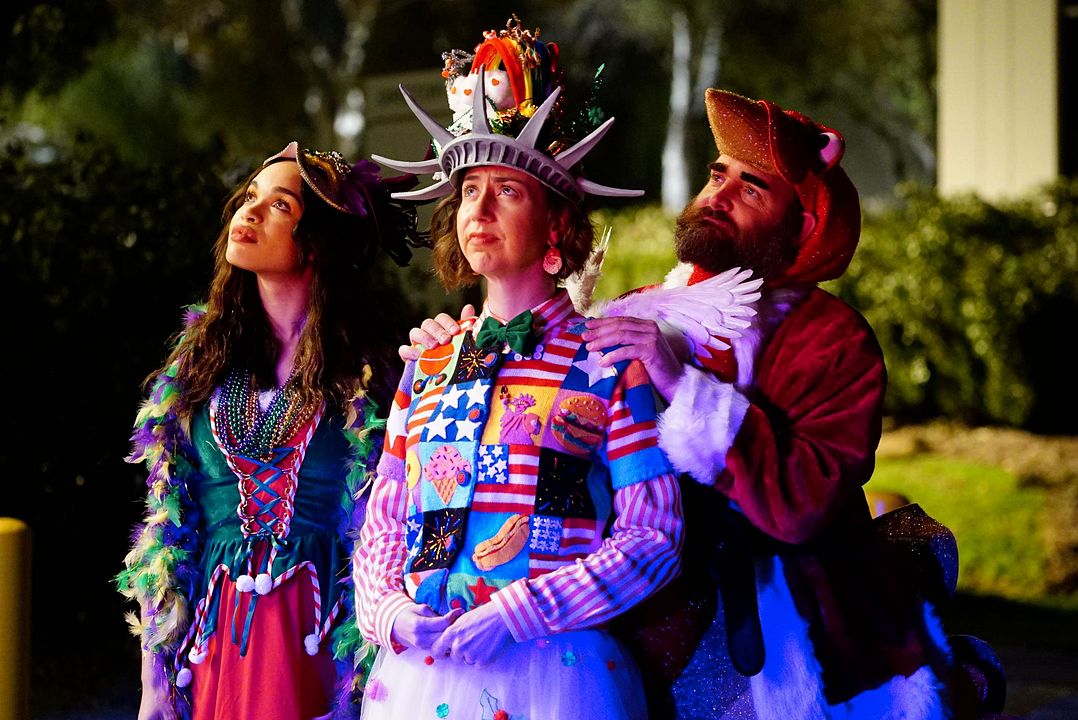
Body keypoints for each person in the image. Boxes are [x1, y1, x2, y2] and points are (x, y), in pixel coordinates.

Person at [409, 90, 956, 719]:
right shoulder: (640, 306)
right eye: (718, 174)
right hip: (625, 616)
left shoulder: (830, 337)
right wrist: (470, 352)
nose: (718, 197)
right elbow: (552, 423)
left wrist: (681, 385)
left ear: (801, 225)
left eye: (753, 189)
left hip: (777, 639)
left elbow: (805, 504)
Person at [353, 18, 683, 720]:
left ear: (557, 227)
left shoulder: (608, 363)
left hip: (555, 677)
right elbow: (385, 514)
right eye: (470, 191)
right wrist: (388, 612)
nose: (480, 208)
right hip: (421, 676)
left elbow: (653, 535)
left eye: (508, 191)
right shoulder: (431, 363)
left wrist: (521, 611)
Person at [117, 142, 422, 720]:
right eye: (249, 197)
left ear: (319, 242)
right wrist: (152, 681)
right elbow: (165, 531)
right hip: (212, 654)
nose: (249, 213)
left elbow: (394, 522)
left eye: (278, 205)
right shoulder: (200, 364)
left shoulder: (371, 372)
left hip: (325, 653)